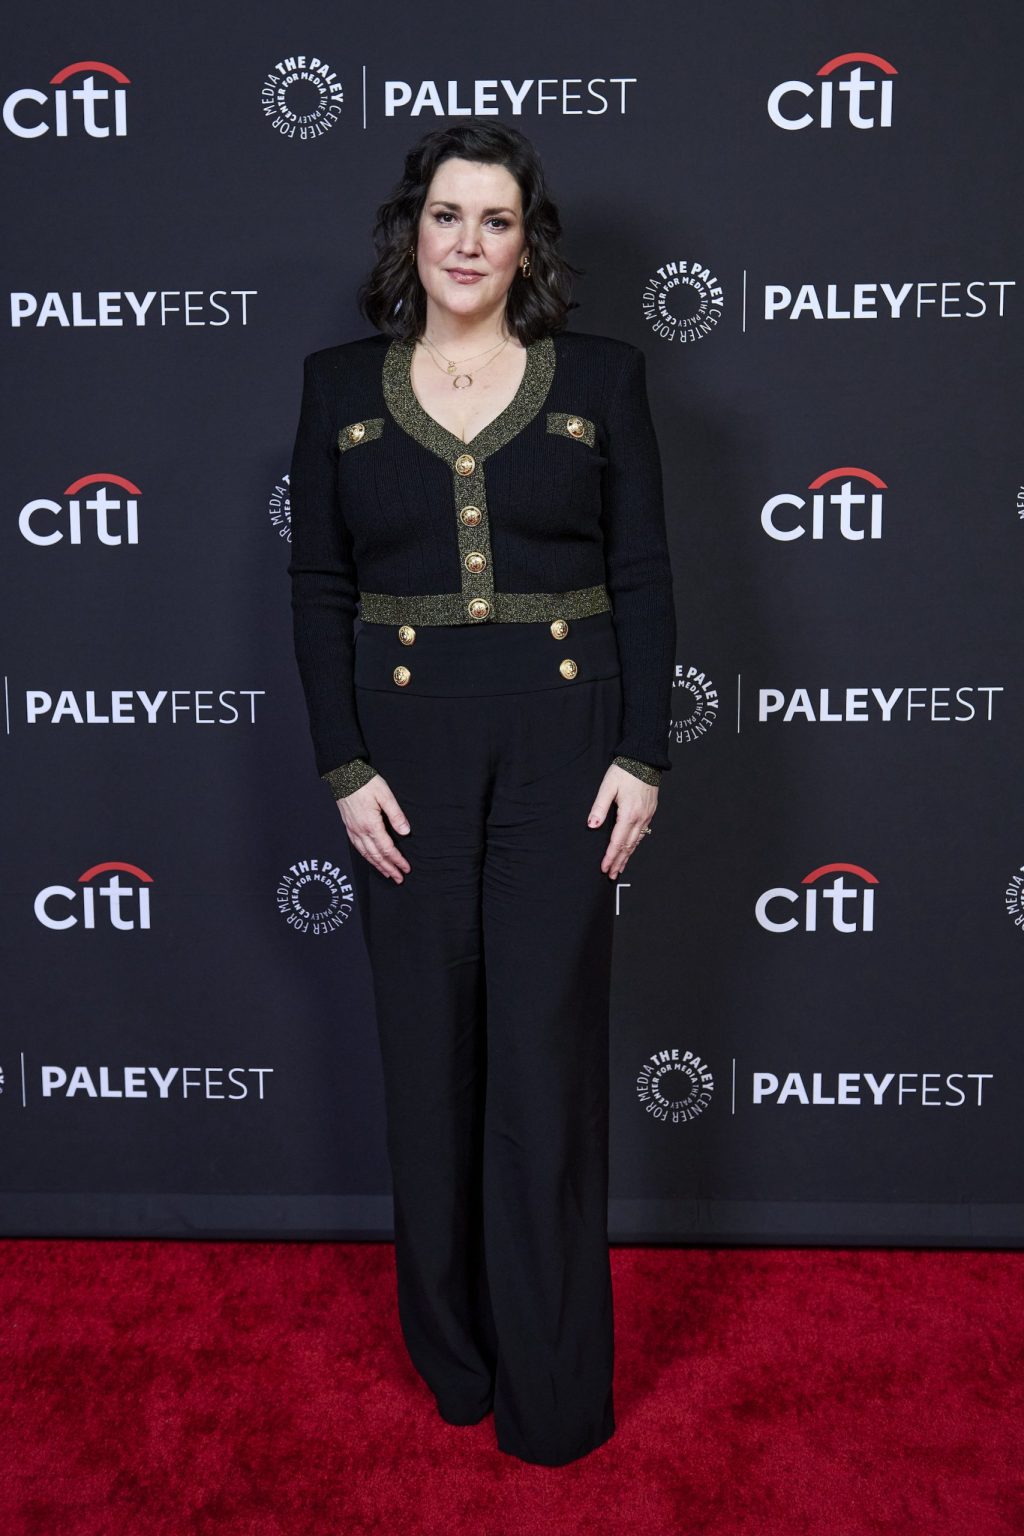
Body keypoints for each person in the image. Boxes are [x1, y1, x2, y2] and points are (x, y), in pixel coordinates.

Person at [287, 118, 676, 1467]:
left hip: (563, 756)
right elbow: (319, 587)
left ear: (529, 243)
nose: (468, 243)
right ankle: (454, 1359)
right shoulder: (337, 384)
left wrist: (642, 759)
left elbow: (643, 579)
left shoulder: (605, 379)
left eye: (495, 220)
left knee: (544, 1072)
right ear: (414, 233)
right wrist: (344, 767)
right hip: (404, 767)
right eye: (447, 216)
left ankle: (555, 1388)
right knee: (430, 1065)